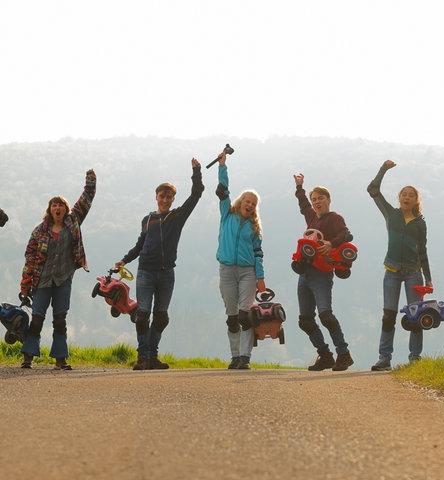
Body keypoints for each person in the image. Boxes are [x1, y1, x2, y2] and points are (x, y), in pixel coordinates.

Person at [116, 158, 204, 370]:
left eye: (169, 196)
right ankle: (142, 357)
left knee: (161, 317)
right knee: (143, 315)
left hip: (166, 273)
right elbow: (140, 245)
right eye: (162, 195)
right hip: (145, 271)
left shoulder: (177, 217)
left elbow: (197, 193)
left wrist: (196, 171)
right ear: (156, 197)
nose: (165, 199)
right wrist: (125, 260)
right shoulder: (147, 220)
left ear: (173, 199)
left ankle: (152, 357)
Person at [20, 169, 96, 369]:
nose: (58, 207)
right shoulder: (39, 231)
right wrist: (25, 286)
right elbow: (29, 259)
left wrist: (90, 182)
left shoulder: (73, 222)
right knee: (37, 319)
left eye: (61, 204)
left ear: (65, 209)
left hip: (63, 279)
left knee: (60, 319)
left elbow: (86, 201)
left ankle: (60, 360)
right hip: (42, 280)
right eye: (54, 204)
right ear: (50, 209)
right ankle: (28, 356)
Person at [368, 160, 432, 371]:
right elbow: (373, 189)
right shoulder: (391, 214)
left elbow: (423, 251)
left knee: (416, 315)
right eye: (403, 194)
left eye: (411, 195)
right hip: (392, 272)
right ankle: (384, 358)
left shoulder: (420, 223)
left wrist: (429, 278)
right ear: (399, 198)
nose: (406, 197)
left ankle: (415, 358)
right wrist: (383, 169)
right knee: (388, 316)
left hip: (414, 273)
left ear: (416, 201)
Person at [293, 173, 354, 371]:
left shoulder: (335, 218)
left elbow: (345, 233)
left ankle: (343, 354)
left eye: (320, 198)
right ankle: (325, 356)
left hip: (322, 273)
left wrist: (331, 243)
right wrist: (300, 187)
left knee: (326, 315)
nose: (317, 202)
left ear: (328, 200)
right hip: (305, 273)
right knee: (305, 321)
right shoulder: (311, 217)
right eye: (314, 199)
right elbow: (303, 206)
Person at [216, 151, 266, 370]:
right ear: (241, 201)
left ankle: (245, 357)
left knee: (245, 315)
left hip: (247, 272)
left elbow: (258, 254)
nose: (250, 204)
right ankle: (235, 356)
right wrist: (222, 166)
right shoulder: (227, 213)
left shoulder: (254, 228)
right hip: (227, 270)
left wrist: (260, 278)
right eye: (247, 200)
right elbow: (222, 191)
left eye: (253, 203)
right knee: (232, 316)